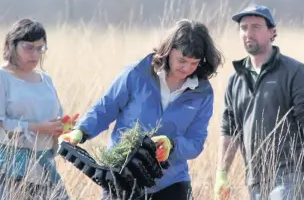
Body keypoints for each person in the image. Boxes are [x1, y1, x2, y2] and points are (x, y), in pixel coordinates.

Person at [59, 19, 224, 200]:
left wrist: (173, 145)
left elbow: (196, 142)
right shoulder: (137, 73)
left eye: (194, 63)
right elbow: (106, 108)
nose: (187, 68)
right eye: (182, 60)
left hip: (171, 183)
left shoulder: (203, 93)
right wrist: (80, 132)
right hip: (121, 177)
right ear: (168, 51)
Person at [214, 4, 304, 200]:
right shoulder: (235, 81)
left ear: (272, 32)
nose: (248, 33)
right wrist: (221, 174)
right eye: (243, 28)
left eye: (255, 27)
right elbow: (229, 131)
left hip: (290, 174)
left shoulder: (295, 72)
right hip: (254, 179)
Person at [0, 18, 70, 199]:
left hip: (45, 164)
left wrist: (63, 129)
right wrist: (38, 128)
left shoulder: (45, 79)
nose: (35, 54)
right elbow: (2, 122)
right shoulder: (2, 77)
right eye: (28, 47)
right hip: (11, 168)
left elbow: (58, 115)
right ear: (12, 45)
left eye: (40, 48)